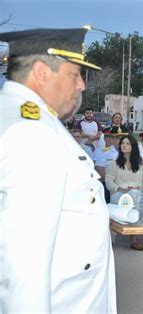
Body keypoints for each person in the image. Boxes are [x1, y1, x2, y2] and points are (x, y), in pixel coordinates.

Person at [0, 28, 116, 312]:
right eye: (75, 75)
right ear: (42, 72)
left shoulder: (19, 117)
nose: (82, 86)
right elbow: (23, 265)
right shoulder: (31, 133)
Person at [106, 134, 143, 251]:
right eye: (122, 144)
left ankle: (134, 238)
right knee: (129, 196)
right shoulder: (113, 164)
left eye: (127, 143)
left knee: (135, 195)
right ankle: (113, 237)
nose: (124, 145)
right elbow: (109, 182)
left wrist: (138, 187)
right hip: (119, 194)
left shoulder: (141, 164)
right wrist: (120, 188)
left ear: (133, 146)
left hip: (135, 194)